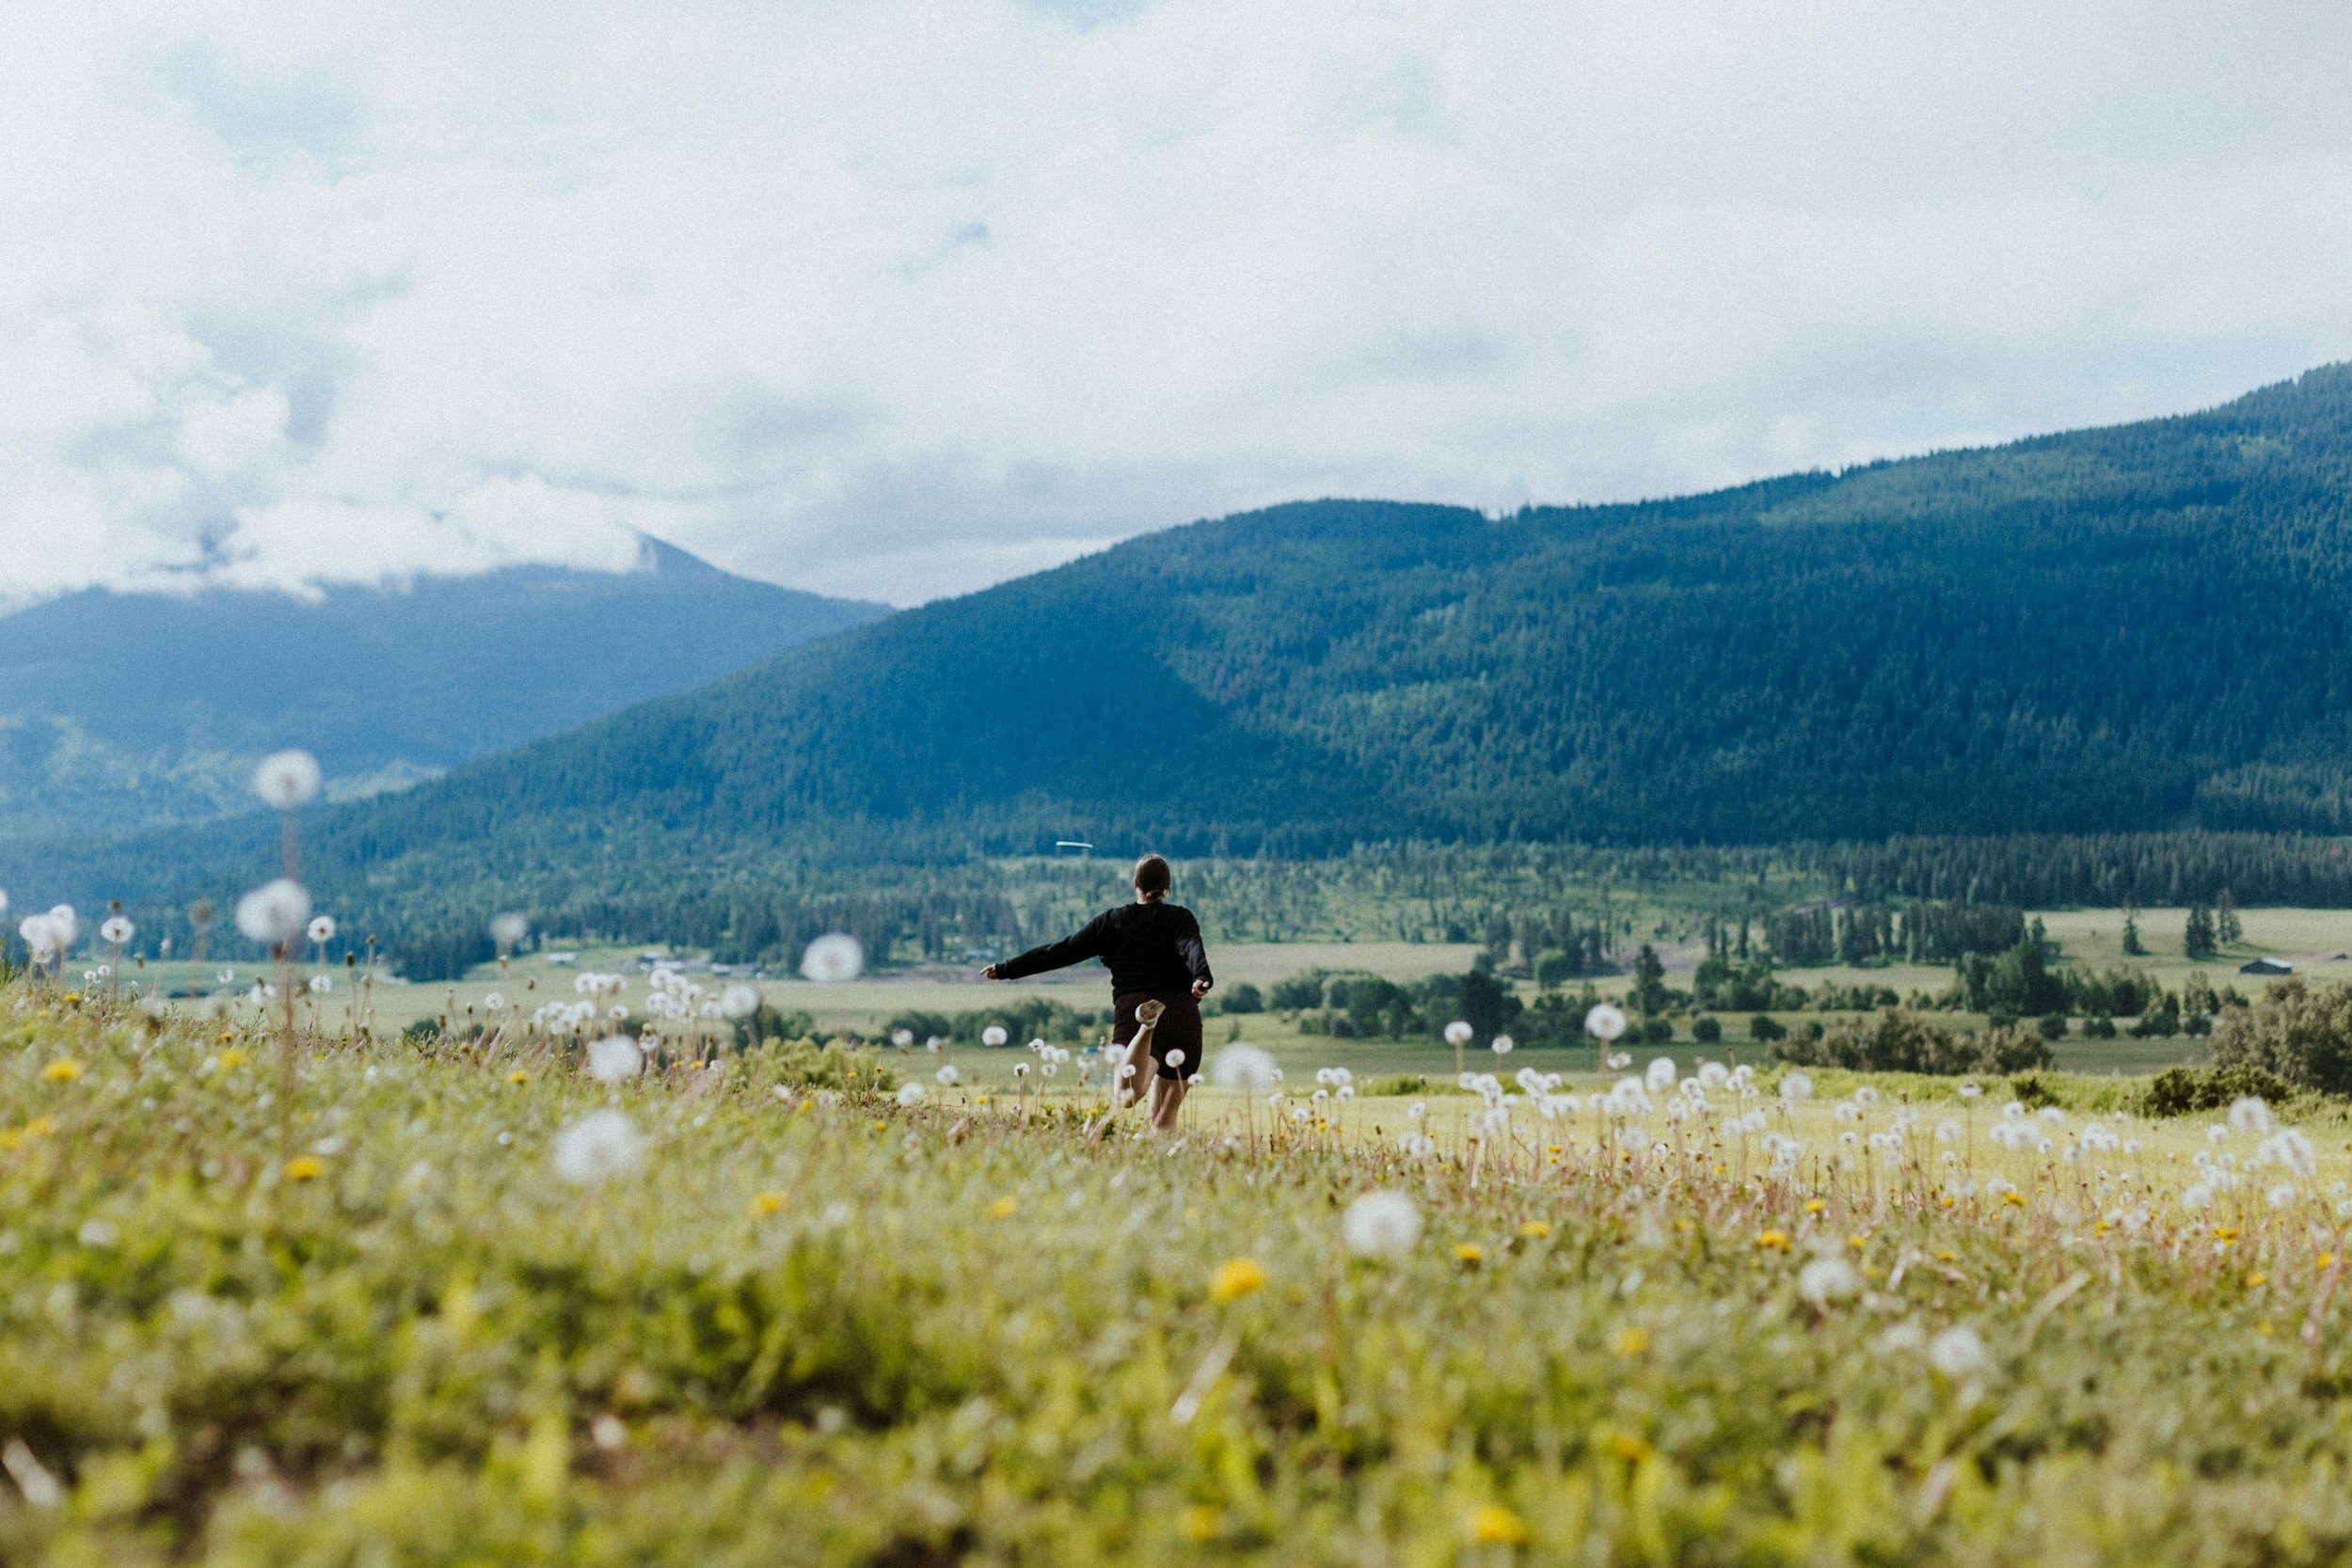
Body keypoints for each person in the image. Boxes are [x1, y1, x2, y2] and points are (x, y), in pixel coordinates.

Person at [982, 853, 1212, 1132]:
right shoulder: (1181, 917)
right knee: (1164, 1118)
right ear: (1167, 886)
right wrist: (1200, 975)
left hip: (1135, 1008)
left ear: (1135, 883)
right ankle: (1163, 1169)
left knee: (1126, 1095)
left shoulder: (1113, 921)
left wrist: (1007, 968)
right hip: (1181, 1014)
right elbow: (1191, 945)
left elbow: (1061, 951)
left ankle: (1146, 1028)